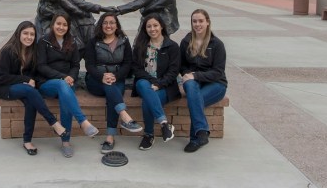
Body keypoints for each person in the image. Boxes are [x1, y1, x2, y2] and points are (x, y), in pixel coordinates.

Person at [0, 20, 67, 156]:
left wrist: (33, 81)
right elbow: (1, 77)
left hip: (23, 88)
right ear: (18, 34)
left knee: (31, 100)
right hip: (4, 87)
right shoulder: (7, 51)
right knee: (29, 91)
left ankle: (27, 141)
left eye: (32, 34)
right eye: (25, 33)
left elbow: (34, 75)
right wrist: (25, 80)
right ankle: (54, 123)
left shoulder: (31, 52)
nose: (29, 37)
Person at [36, 13, 99, 157]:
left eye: (65, 25)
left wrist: (71, 77)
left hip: (67, 82)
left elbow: (75, 65)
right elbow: (41, 66)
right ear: (52, 25)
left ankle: (65, 142)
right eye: (58, 24)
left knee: (65, 97)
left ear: (68, 27)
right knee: (62, 85)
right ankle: (83, 122)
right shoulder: (43, 41)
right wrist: (63, 77)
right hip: (47, 83)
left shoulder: (72, 42)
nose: (61, 27)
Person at [84, 13, 143, 153]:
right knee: (112, 91)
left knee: (112, 95)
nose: (108, 25)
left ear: (117, 25)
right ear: (101, 25)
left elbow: (128, 63)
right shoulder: (93, 42)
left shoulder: (124, 40)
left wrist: (115, 76)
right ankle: (124, 117)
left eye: (112, 22)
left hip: (117, 80)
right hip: (95, 81)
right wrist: (102, 77)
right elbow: (89, 65)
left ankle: (110, 137)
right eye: (105, 23)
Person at [179, 9, 227, 153]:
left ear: (207, 22)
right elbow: (181, 65)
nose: (197, 24)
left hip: (216, 84)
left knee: (194, 99)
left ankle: (196, 138)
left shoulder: (217, 44)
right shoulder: (186, 42)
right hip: (193, 82)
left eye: (201, 21)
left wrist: (196, 75)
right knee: (190, 86)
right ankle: (201, 133)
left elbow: (218, 72)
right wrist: (187, 75)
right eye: (194, 21)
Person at [131, 13, 179, 150]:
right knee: (142, 83)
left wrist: (159, 84)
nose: (152, 29)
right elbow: (136, 68)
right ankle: (164, 124)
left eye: (155, 25)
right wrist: (153, 81)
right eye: (149, 26)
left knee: (148, 101)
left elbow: (173, 71)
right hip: (145, 84)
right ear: (145, 29)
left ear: (162, 26)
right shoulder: (140, 46)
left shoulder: (172, 46)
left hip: (166, 87)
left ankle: (149, 135)